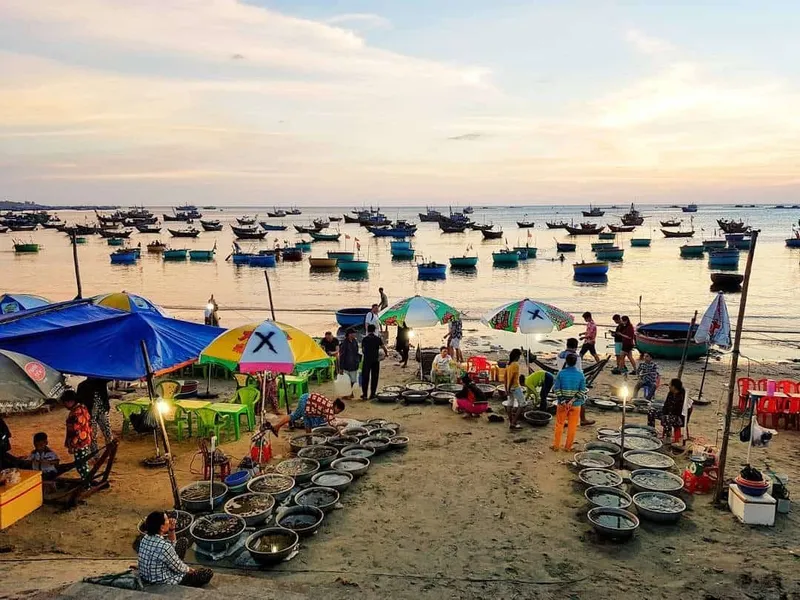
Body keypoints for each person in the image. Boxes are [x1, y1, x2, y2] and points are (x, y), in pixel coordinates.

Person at [138, 511, 213, 587]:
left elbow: (172, 545)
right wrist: (190, 570)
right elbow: (178, 567)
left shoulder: (145, 538)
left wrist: (171, 529)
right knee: (207, 573)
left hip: (148, 577)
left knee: (183, 541)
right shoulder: (164, 546)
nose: (169, 520)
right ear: (162, 527)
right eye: (167, 519)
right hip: (163, 582)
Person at [551, 354, 587, 451]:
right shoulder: (580, 375)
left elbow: (556, 389)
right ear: (575, 362)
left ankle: (556, 446)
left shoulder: (561, 373)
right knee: (572, 426)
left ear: (566, 362)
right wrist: (572, 401)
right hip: (575, 405)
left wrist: (563, 400)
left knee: (559, 424)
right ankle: (568, 447)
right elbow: (582, 391)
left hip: (562, 404)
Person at [556, 338, 593, 426]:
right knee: (582, 398)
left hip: (562, 379)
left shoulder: (560, 355)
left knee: (563, 399)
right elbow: (579, 371)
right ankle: (583, 419)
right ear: (576, 347)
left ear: (567, 345)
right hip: (573, 380)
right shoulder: (575, 357)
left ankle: (564, 420)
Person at [272, 393, 346, 433]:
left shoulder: (330, 404)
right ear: (336, 407)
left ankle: (276, 426)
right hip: (306, 401)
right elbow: (332, 423)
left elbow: (331, 419)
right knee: (304, 420)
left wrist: (339, 430)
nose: (338, 413)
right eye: (339, 411)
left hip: (306, 398)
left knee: (295, 416)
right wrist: (341, 426)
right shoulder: (330, 408)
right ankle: (308, 439)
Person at [62, 390, 93, 483]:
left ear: (70, 401)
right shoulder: (81, 408)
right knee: (82, 464)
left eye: (66, 402)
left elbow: (78, 431)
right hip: (84, 440)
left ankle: (87, 484)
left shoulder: (77, 412)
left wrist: (72, 445)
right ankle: (87, 482)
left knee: (81, 466)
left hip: (80, 443)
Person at [77, 377, 113, 453]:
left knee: (106, 433)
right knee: (95, 435)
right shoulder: (83, 385)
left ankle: (106, 453)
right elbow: (79, 401)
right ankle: (96, 455)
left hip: (100, 412)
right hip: (91, 414)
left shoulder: (101, 381)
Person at [648, 379, 686, 443]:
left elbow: (678, 411)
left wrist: (666, 415)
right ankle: (652, 432)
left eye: (670, 385)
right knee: (651, 412)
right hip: (667, 414)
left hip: (678, 418)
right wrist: (663, 413)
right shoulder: (670, 393)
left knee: (667, 418)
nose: (669, 386)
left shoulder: (682, 396)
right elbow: (666, 405)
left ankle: (667, 437)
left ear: (674, 387)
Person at [502, 349, 528, 431]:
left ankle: (511, 422)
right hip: (515, 387)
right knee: (522, 403)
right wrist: (509, 388)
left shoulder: (508, 365)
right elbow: (513, 377)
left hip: (510, 387)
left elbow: (505, 378)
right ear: (516, 356)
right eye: (519, 356)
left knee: (510, 404)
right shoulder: (515, 365)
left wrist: (506, 389)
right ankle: (513, 422)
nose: (519, 358)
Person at [360, 324, 388, 400]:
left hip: (367, 360)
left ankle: (365, 394)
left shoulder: (365, 339)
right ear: (374, 330)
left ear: (367, 330)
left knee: (365, 377)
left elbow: (363, 350)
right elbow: (384, 348)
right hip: (375, 360)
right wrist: (386, 353)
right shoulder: (377, 339)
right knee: (374, 377)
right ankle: (372, 394)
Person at [338, 329, 361, 399]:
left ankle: (350, 393)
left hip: (354, 364)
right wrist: (341, 367)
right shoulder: (344, 343)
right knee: (347, 381)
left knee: (353, 380)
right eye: (353, 333)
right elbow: (341, 355)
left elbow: (357, 352)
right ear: (349, 334)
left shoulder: (354, 341)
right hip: (346, 365)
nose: (354, 335)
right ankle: (347, 393)